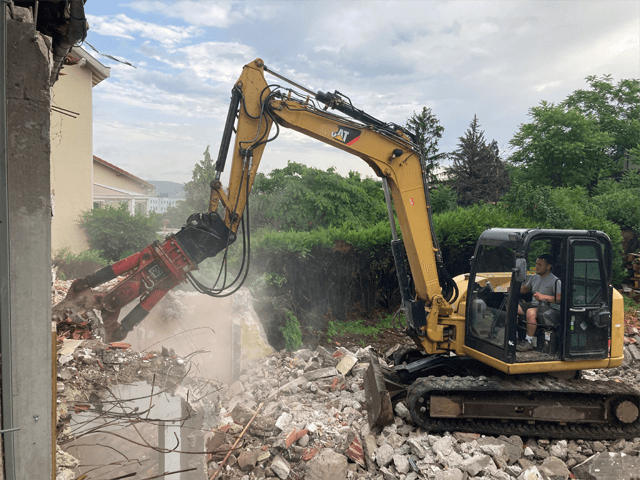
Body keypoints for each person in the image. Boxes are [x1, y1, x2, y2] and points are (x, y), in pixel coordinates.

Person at [516, 254, 561, 352]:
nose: (536, 267)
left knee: (530, 312)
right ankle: (513, 336)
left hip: (547, 308)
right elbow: (526, 289)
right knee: (512, 307)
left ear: (548, 266)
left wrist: (544, 297)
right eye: (536, 264)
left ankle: (528, 341)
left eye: (540, 265)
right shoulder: (534, 277)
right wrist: (513, 288)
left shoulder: (555, 281)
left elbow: (559, 299)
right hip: (533, 304)